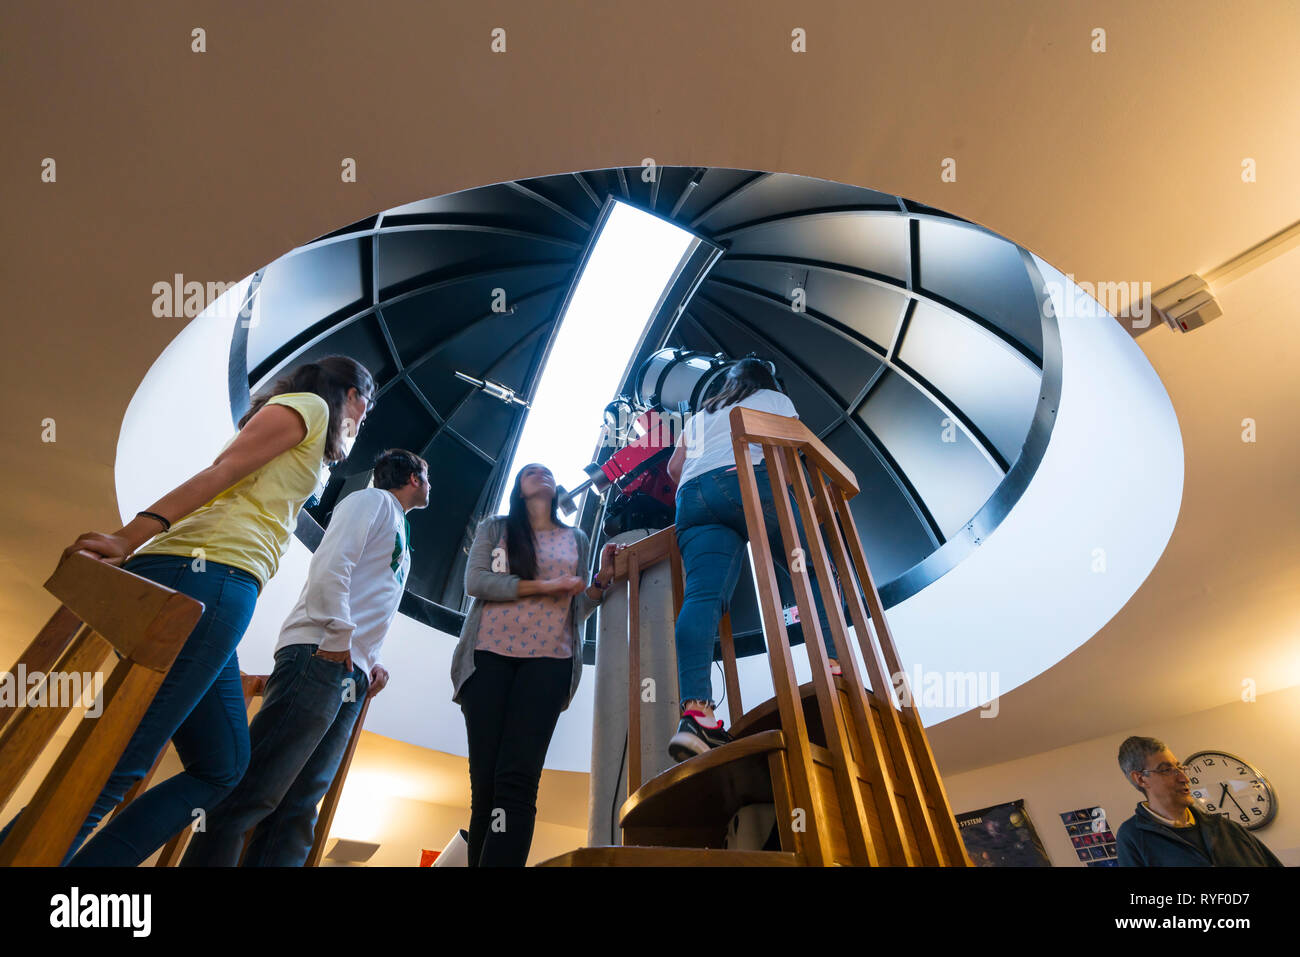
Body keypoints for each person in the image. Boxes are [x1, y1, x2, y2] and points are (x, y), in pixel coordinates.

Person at [0, 355, 376, 866]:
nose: (365, 415)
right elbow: (222, 471)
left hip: (216, 587)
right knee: (117, 761)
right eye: (367, 403)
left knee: (223, 765)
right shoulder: (309, 406)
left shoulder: (309, 429)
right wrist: (128, 536)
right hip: (209, 576)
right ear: (351, 394)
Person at [180, 448, 429, 866]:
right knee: (256, 788)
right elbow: (334, 562)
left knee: (300, 808)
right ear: (414, 479)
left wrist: (373, 660)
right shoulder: (371, 501)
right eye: (427, 477)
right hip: (322, 653)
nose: (429, 486)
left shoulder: (401, 528)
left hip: (353, 672)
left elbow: (372, 597)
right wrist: (337, 633)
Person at [665, 357, 846, 762]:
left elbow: (674, 467)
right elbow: (787, 455)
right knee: (815, 569)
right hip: (747, 478)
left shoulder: (701, 414)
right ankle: (835, 668)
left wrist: (707, 484)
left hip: (692, 499)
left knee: (701, 599)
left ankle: (697, 715)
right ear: (766, 378)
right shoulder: (773, 398)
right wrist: (785, 505)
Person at [450, 463, 619, 866]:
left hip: (549, 663)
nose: (540, 473)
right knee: (486, 787)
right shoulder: (497, 529)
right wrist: (544, 585)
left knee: (518, 781)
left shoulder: (576, 537)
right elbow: (476, 583)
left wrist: (599, 583)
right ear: (518, 488)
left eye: (546, 471)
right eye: (530, 471)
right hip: (487, 658)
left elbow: (575, 608)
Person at [1115, 736, 1283, 867]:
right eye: (1166, 770)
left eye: (1180, 768)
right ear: (1141, 779)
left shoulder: (1226, 827)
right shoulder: (1133, 838)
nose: (1184, 778)